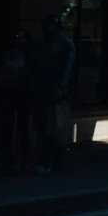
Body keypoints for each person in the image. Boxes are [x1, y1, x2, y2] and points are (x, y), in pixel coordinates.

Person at [28, 13, 76, 171]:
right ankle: (57, 151)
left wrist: (61, 89)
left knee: (48, 126)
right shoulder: (42, 45)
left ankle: (46, 158)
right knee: (40, 125)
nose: (46, 29)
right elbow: (34, 65)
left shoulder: (65, 44)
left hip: (54, 91)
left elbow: (67, 69)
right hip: (41, 88)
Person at [0, 32, 34, 171]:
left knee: (22, 126)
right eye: (17, 37)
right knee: (6, 125)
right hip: (8, 91)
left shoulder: (30, 56)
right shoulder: (9, 54)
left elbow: (30, 72)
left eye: (22, 37)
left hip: (23, 92)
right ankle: (6, 155)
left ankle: (24, 157)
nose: (19, 39)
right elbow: (2, 72)